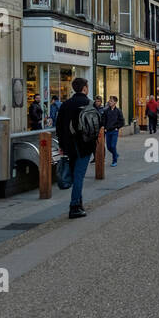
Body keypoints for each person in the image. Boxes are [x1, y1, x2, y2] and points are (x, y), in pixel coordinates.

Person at [56, 78, 99, 219]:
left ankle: (79, 203)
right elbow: (98, 125)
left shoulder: (65, 105)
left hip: (69, 146)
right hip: (85, 145)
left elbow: (59, 127)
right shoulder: (90, 104)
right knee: (79, 176)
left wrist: (62, 145)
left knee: (76, 175)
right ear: (85, 88)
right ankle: (74, 206)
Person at [100, 95, 124, 166]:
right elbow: (103, 120)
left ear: (115, 102)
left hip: (114, 131)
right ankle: (116, 154)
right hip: (107, 131)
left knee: (113, 146)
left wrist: (117, 127)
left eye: (111, 101)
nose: (109, 102)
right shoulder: (106, 111)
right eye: (109, 101)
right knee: (109, 147)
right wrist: (104, 127)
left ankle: (114, 161)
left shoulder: (118, 111)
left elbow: (122, 122)